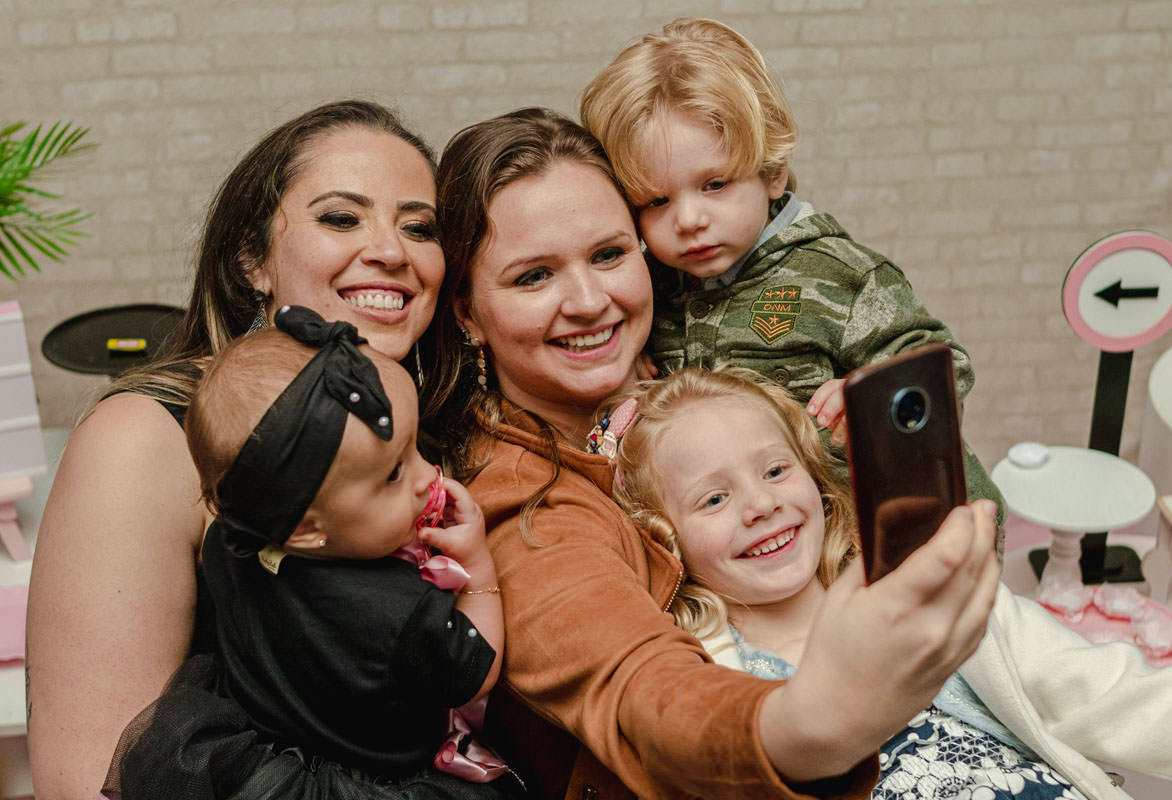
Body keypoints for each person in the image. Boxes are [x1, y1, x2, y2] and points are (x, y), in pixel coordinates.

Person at [420, 107, 1001, 800]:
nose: (588, 300)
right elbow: (637, 691)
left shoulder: (708, 358)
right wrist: (808, 724)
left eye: (608, 254)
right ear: (465, 312)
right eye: (533, 277)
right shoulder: (524, 500)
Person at [26, 99, 445, 799]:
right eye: (340, 217)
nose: (392, 251)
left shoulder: (417, 430)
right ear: (253, 258)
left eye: (420, 227)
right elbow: (82, 779)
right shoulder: (145, 437)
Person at [606, 364, 1172, 800]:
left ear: (813, 474)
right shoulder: (703, 681)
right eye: (713, 497)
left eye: (775, 469)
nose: (760, 503)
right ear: (665, 536)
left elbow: (1111, 694)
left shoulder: (927, 594)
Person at [579, 17, 1004, 539]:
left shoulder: (839, 273)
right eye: (657, 200)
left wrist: (868, 402)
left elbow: (943, 369)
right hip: (766, 543)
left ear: (772, 171)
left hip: (901, 538)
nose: (687, 220)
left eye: (714, 184)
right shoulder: (656, 290)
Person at [102, 306, 512, 799]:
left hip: (259, 766)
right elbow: (475, 673)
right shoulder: (396, 611)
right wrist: (480, 569)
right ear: (306, 529)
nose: (428, 475)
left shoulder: (231, 543)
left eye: (414, 448)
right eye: (393, 474)